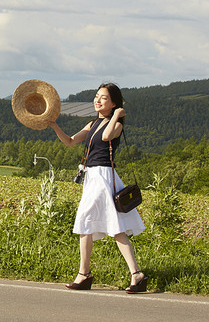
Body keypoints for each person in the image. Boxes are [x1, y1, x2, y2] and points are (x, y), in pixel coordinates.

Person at [49, 83, 147, 293]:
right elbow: (70, 141)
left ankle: (87, 275)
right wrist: (54, 125)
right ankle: (134, 275)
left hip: (104, 176)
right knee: (110, 227)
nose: (97, 100)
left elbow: (106, 136)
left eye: (103, 98)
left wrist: (116, 116)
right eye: (96, 96)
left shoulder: (117, 125)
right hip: (92, 176)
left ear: (113, 103)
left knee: (94, 224)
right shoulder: (91, 123)